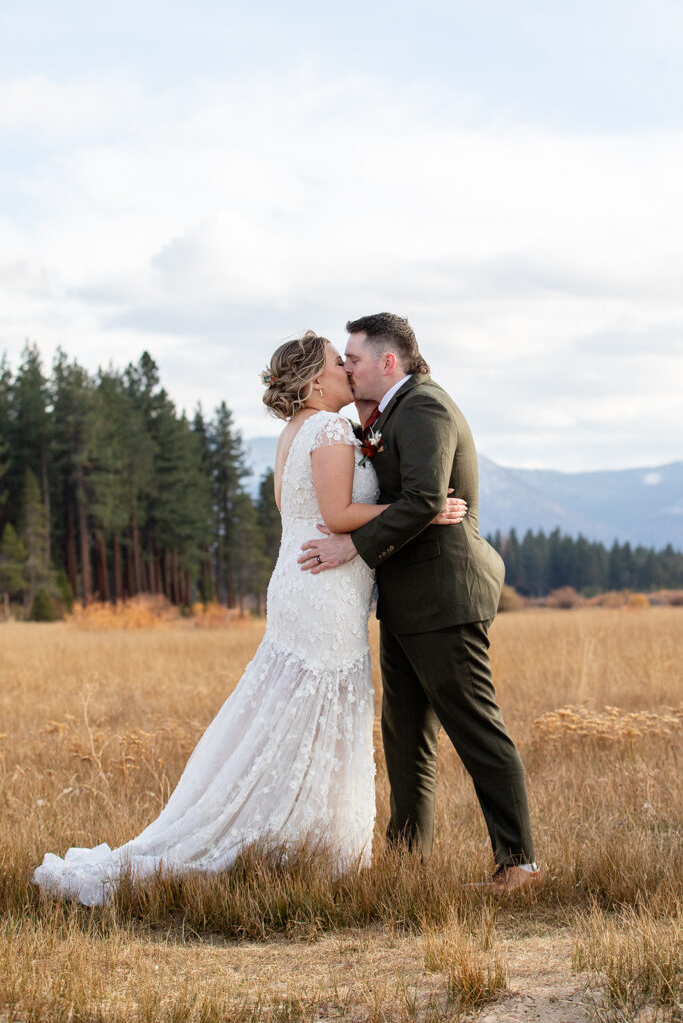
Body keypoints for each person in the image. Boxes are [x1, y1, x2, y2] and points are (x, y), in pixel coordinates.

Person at [33, 331, 465, 906]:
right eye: (341, 363)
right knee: (314, 712)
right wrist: (423, 509)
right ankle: (297, 844)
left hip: (300, 582)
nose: (349, 370)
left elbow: (303, 513)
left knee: (289, 713)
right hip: (324, 589)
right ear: (316, 382)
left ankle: (293, 837)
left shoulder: (293, 434)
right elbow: (336, 514)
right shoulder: (330, 428)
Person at [298, 314, 539, 892]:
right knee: (405, 735)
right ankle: (407, 866)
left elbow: (428, 498)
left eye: (353, 359)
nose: (347, 368)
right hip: (406, 599)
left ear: (389, 362)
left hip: (445, 593)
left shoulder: (426, 406)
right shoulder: (385, 413)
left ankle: (520, 864)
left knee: (475, 726)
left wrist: (349, 547)